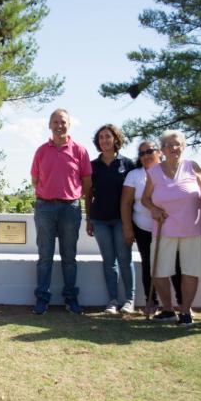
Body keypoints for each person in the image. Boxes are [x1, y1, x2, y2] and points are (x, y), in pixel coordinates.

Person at [142, 130, 201, 326]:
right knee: (159, 270)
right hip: (164, 226)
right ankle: (168, 309)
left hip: (193, 227)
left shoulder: (192, 166)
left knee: (190, 269)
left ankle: (186, 311)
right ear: (162, 150)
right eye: (168, 145)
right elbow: (146, 198)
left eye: (177, 144)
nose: (173, 148)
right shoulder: (153, 172)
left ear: (184, 146)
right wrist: (153, 209)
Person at [30, 108, 92, 315]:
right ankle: (42, 299)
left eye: (63, 122)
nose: (59, 125)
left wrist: (71, 195)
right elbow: (35, 180)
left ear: (69, 124)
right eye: (55, 122)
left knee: (69, 257)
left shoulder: (80, 151)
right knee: (44, 256)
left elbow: (86, 182)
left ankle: (71, 299)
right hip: (45, 207)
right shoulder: (41, 151)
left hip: (70, 208)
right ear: (49, 125)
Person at [121, 141, 182, 317]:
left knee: (175, 265)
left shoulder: (171, 170)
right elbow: (126, 203)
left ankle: (182, 304)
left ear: (160, 152)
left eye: (150, 151)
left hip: (170, 227)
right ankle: (152, 302)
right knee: (149, 265)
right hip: (143, 228)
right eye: (142, 153)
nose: (146, 155)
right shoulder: (134, 175)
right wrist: (127, 228)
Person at [84, 124, 136, 314]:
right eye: (101, 138)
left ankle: (129, 300)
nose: (104, 140)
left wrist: (131, 223)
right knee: (109, 261)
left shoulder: (128, 164)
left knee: (124, 259)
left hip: (122, 221)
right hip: (100, 220)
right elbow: (88, 194)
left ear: (115, 139)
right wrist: (88, 218)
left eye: (108, 136)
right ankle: (112, 301)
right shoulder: (92, 166)